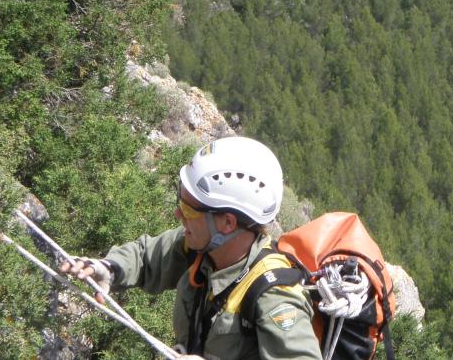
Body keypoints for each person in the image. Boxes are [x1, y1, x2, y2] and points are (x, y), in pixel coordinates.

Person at [61, 136, 322, 359]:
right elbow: (146, 256)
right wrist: (109, 268)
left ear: (228, 223)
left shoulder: (274, 296)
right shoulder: (201, 248)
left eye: (188, 208)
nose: (178, 213)